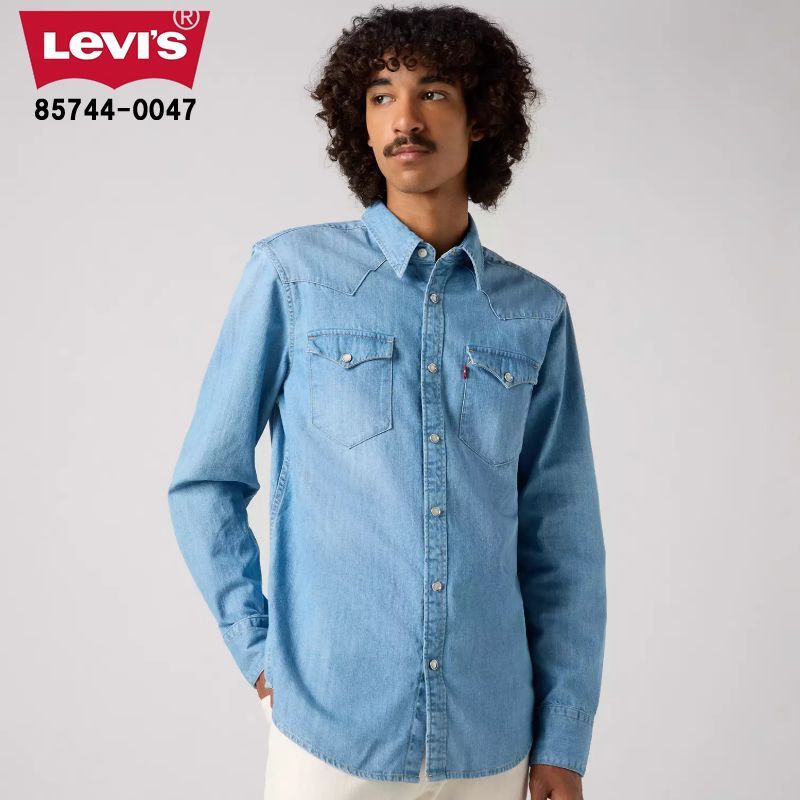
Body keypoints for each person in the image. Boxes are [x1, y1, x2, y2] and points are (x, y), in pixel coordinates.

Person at [167, 5, 607, 799]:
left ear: (481, 118)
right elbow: (206, 482)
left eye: (433, 92)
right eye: (380, 96)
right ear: (360, 125)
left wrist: (563, 741)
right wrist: (261, 654)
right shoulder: (293, 275)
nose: (404, 118)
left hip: (492, 741)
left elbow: (562, 543)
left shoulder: (533, 313)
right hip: (330, 736)